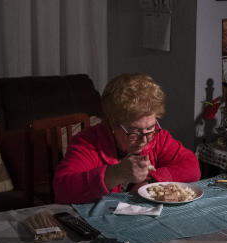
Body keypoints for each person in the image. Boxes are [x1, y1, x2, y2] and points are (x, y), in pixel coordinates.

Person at [53, 73, 200, 204]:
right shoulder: (89, 142)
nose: (144, 139)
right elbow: (62, 190)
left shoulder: (158, 137)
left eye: (150, 127)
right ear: (112, 124)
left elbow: (192, 167)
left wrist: (152, 181)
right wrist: (115, 174)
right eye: (134, 131)